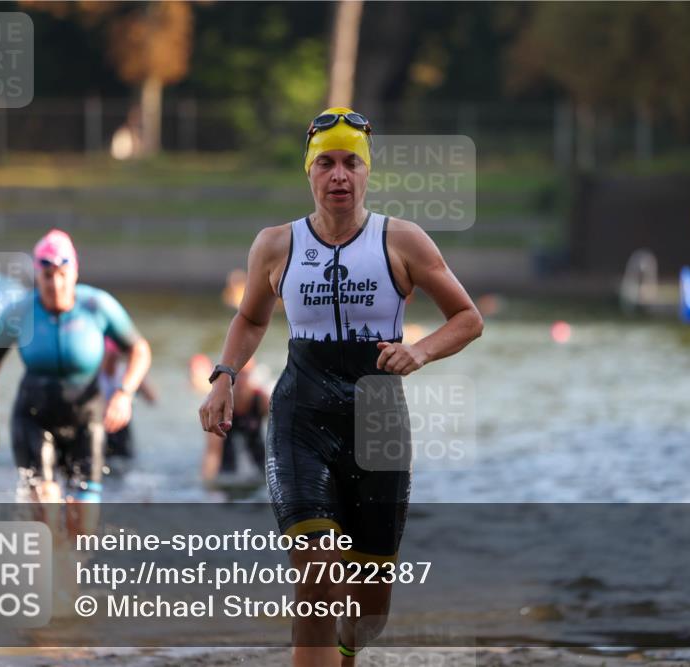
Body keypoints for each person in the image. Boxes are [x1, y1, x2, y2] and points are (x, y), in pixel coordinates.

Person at [198, 107, 483, 666]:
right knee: (318, 579)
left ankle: (351, 651)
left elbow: (468, 318)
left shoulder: (403, 241)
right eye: (325, 163)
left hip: (379, 425)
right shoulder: (275, 246)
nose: (339, 175)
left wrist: (419, 351)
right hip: (299, 421)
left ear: (367, 173)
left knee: (369, 609)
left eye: (351, 163)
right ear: (308, 173)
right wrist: (224, 376)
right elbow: (252, 320)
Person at [0, 229, 151, 515]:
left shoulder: (97, 306)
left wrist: (124, 393)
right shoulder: (20, 313)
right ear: (37, 275)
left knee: (81, 527)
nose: (56, 284)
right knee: (44, 511)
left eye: (62, 274)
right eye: (48, 276)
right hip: (34, 418)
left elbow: (140, 350)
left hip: (86, 421)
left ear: (75, 272)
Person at [200, 358, 269, 485]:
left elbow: (281, 432)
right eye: (236, 375)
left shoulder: (260, 399)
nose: (240, 380)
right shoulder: (218, 406)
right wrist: (208, 485)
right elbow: (212, 453)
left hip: (258, 463)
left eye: (245, 374)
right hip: (227, 468)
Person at [99, 336, 157, 471]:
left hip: (121, 426)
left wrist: (140, 380)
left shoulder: (127, 373)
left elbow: (152, 399)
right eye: (108, 354)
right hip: (100, 425)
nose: (111, 358)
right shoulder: (93, 374)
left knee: (124, 464)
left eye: (114, 354)